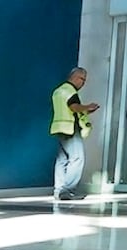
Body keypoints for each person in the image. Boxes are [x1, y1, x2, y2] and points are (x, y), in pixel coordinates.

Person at [51, 67, 99, 201]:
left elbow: (66, 108)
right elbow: (73, 107)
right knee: (77, 158)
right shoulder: (70, 91)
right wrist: (87, 107)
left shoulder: (58, 91)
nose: (83, 83)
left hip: (59, 128)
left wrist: (84, 111)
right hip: (70, 128)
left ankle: (59, 190)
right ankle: (67, 190)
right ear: (75, 77)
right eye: (82, 79)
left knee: (62, 160)